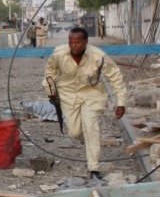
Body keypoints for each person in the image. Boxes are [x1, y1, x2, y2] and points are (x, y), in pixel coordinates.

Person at [43, 27, 126, 180]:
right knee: (74, 132)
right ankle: (88, 141)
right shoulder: (59, 54)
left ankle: (94, 168)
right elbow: (50, 72)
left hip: (92, 94)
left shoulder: (98, 56)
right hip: (68, 95)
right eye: (71, 42)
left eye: (77, 42)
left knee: (90, 126)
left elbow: (115, 77)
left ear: (86, 42)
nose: (74, 46)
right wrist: (50, 90)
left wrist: (121, 102)